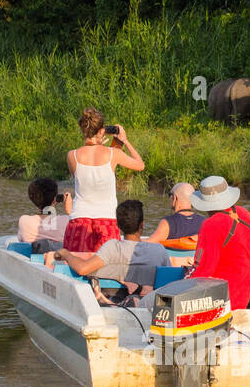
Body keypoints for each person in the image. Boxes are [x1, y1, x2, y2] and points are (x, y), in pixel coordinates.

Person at [186, 175, 250, 311]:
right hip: (243, 300)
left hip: (220, 301)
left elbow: (203, 271)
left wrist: (185, 280)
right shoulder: (245, 214)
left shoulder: (211, 224)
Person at [47, 198, 169, 298]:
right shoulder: (159, 250)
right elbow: (170, 282)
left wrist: (65, 253)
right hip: (149, 302)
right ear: (142, 225)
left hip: (117, 298)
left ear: (118, 225)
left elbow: (83, 269)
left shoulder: (112, 247)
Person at [63, 108, 145, 254]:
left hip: (79, 220)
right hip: (106, 221)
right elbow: (140, 165)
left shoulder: (72, 156)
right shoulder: (114, 153)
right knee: (107, 267)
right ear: (101, 131)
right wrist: (124, 141)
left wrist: (104, 146)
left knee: (76, 266)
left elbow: (87, 175)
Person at [146, 182, 207, 252]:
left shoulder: (167, 223)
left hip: (173, 262)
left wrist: (132, 241)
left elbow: (149, 244)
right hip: (194, 261)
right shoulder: (204, 222)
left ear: (174, 198)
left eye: (170, 195)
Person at [18, 177, 72, 247]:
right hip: (57, 256)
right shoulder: (67, 221)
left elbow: (20, 239)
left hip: (31, 256)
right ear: (54, 200)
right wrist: (70, 211)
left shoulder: (24, 221)